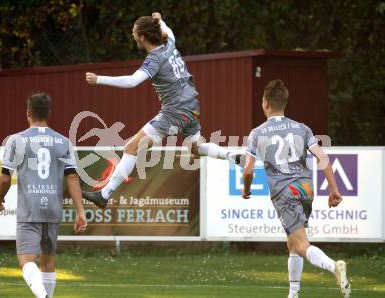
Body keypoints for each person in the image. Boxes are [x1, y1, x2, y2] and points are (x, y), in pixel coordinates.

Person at [82, 12, 239, 207]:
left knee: (130, 148)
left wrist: (99, 79)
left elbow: (133, 81)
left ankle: (104, 195)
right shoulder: (169, 45)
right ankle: (230, 155)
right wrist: (161, 20)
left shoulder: (154, 59)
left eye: (133, 32)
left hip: (174, 113)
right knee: (195, 148)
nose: (132, 35)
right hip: (192, 108)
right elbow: (169, 32)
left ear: (142, 37)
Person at [241, 80, 351, 298]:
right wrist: (334, 189)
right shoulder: (302, 128)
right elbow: (322, 157)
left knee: (301, 244)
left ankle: (333, 267)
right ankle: (294, 293)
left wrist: (246, 189)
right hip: (306, 189)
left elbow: (247, 171)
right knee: (292, 242)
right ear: (285, 102)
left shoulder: (257, 133)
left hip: (285, 191)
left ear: (265, 104)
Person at [0, 92, 87, 298]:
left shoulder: (16, 141)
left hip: (30, 208)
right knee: (48, 262)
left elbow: (5, 178)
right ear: (49, 113)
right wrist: (81, 211)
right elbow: (72, 179)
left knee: (27, 261)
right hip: (52, 208)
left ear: (28, 112)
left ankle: (43, 296)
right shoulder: (64, 142)